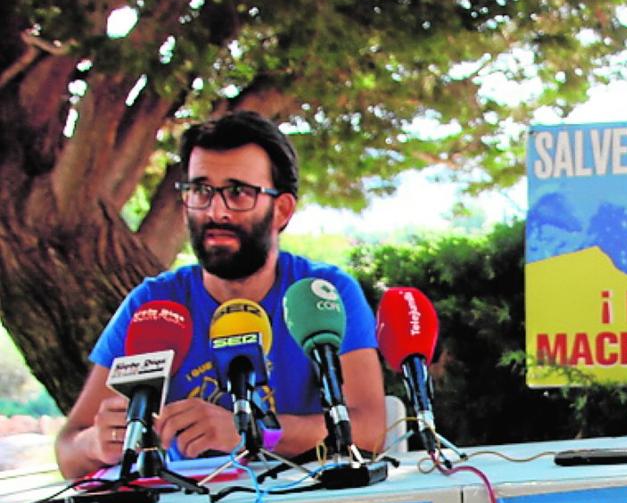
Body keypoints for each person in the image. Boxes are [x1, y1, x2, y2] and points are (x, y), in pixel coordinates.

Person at [56, 110, 385, 478]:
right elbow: (68, 450)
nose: (216, 211)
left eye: (238, 192)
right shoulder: (151, 305)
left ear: (282, 209)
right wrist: (96, 444)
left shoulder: (324, 293)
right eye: (200, 190)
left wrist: (257, 433)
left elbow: (371, 431)